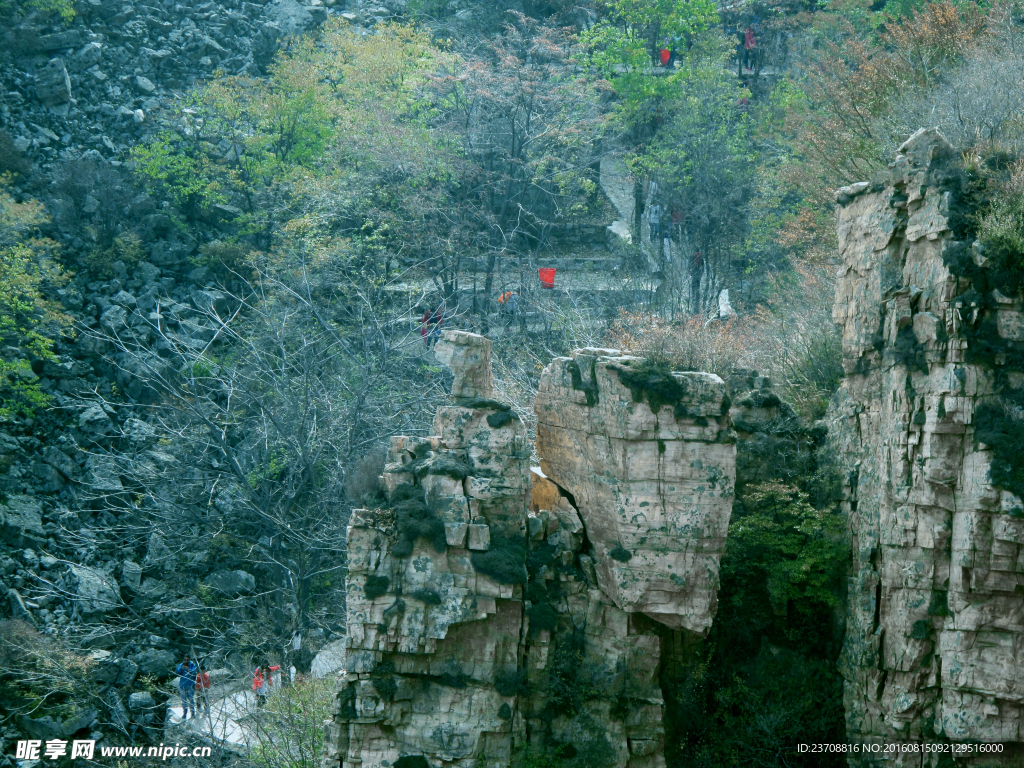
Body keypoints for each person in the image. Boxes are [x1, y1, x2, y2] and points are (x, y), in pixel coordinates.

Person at [174, 656, 198, 720]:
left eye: (187, 660)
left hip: (190, 685)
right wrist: (181, 668)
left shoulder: (192, 665)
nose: (186, 661)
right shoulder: (181, 665)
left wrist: (188, 669)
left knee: (191, 699)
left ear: (189, 660)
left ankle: (193, 713)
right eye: (184, 659)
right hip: (182, 685)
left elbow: (194, 673)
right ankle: (185, 713)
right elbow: (177, 672)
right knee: (184, 700)